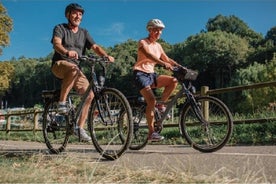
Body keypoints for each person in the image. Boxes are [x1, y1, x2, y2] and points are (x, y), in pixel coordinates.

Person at [51, 3, 114, 142]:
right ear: (68, 15)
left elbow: (95, 46)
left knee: (90, 95)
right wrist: (67, 52)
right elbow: (56, 44)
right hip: (60, 64)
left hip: (75, 68)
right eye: (74, 13)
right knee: (73, 69)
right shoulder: (60, 28)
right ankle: (62, 103)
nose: (78, 16)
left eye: (80, 14)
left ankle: (78, 128)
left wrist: (105, 55)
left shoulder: (84, 32)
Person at [133, 19, 180, 142]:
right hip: (140, 74)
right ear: (149, 30)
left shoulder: (158, 46)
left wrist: (180, 66)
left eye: (160, 30)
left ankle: (160, 105)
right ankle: (151, 133)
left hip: (152, 74)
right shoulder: (142, 42)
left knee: (173, 81)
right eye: (156, 30)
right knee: (151, 100)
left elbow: (167, 58)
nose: (159, 32)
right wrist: (163, 64)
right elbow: (149, 55)